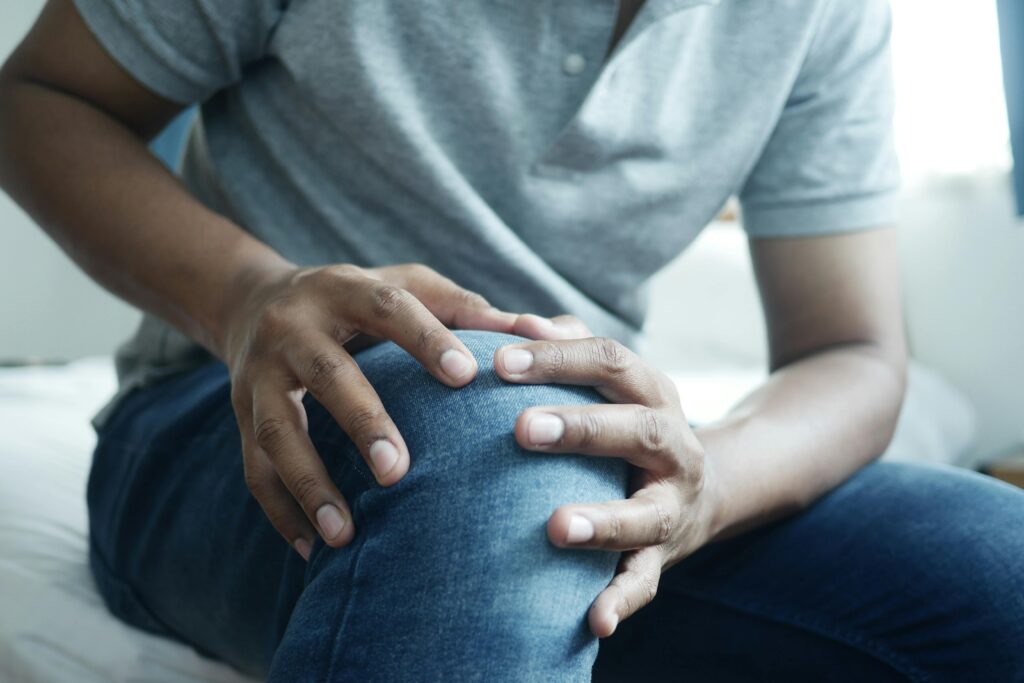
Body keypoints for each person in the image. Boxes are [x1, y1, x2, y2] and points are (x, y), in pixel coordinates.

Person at [0, 0, 1021, 680]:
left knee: (997, 565)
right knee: (493, 429)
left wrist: (699, 489)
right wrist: (247, 294)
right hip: (237, 429)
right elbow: (36, 99)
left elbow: (850, 349)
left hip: (584, 469)